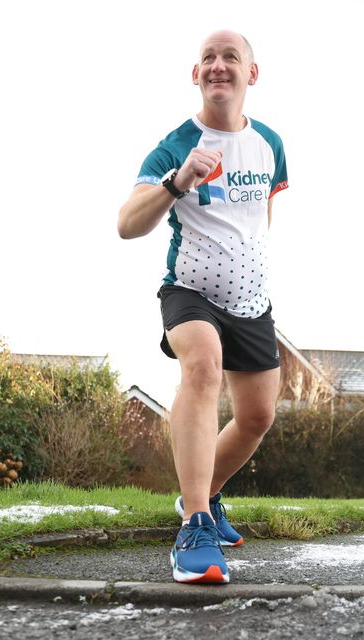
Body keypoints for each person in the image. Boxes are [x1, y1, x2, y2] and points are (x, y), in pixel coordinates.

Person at [117, 30, 288, 584]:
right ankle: (194, 525)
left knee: (258, 415)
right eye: (207, 59)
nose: (218, 66)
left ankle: (208, 493)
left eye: (229, 57)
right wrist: (178, 180)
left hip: (252, 301)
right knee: (202, 366)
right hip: (189, 291)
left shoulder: (270, 145)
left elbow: (261, 216)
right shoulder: (173, 146)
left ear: (251, 74)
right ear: (196, 75)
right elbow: (126, 224)